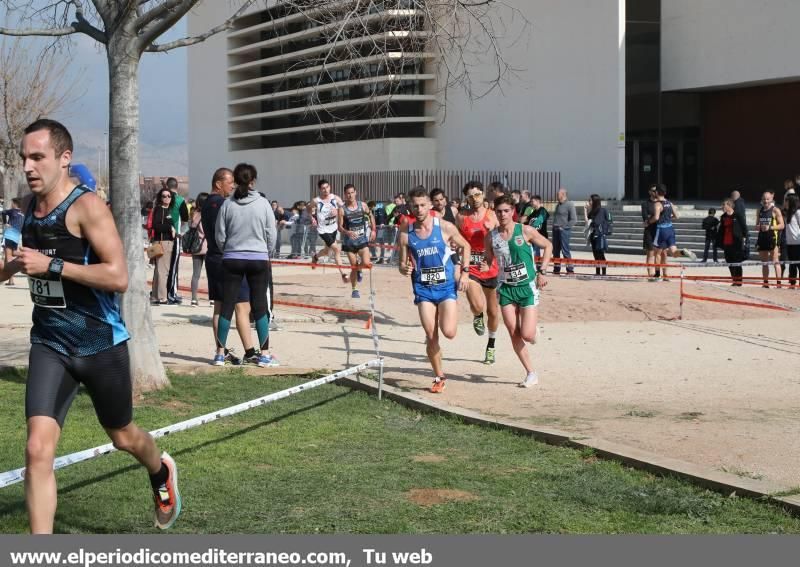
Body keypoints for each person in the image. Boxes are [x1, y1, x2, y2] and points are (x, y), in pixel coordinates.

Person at [0, 119, 179, 533]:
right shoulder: (24, 208)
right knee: (36, 450)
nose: (28, 165)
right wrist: (13, 266)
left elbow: (118, 277)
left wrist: (53, 266)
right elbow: (15, 262)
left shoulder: (87, 208)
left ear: (65, 160)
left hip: (100, 345)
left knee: (123, 436)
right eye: (24, 157)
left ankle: (159, 471)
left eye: (38, 157)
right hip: (50, 343)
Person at [398, 187, 470, 393]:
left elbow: (466, 246)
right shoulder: (405, 234)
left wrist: (465, 273)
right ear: (409, 207)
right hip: (423, 288)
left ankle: (443, 324)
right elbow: (401, 264)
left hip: (446, 287)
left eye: (422, 205)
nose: (419, 209)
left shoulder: (445, 227)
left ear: (430, 205)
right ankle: (439, 376)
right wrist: (404, 268)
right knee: (431, 334)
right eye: (415, 206)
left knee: (449, 332)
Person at [484, 196, 552, 387]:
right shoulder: (491, 236)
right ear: (495, 212)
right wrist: (484, 263)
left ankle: (532, 332)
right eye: (499, 211)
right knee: (514, 332)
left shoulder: (525, 230)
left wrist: (543, 272)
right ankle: (531, 373)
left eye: (506, 210)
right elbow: (488, 258)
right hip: (506, 289)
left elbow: (548, 246)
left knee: (527, 335)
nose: (503, 214)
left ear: (512, 210)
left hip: (527, 287)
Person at [215, 163, 278, 367]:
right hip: (258, 258)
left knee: (227, 306)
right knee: (259, 305)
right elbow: (272, 233)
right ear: (253, 181)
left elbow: (220, 234)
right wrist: (266, 250)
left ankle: (219, 353)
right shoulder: (263, 203)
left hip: (232, 257)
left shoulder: (228, 204)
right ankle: (265, 354)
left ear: (235, 180)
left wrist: (228, 249)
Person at [201, 168, 256, 365]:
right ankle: (250, 353)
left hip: (213, 258)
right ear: (218, 183)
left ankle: (220, 352)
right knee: (242, 305)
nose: (233, 185)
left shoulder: (206, 203)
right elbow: (229, 233)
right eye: (230, 181)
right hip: (227, 260)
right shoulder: (222, 204)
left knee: (219, 307)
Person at [458, 181, 501, 365]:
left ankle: (491, 345)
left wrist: (494, 232)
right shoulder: (462, 217)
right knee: (477, 305)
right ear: (466, 198)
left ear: (483, 194)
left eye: (477, 195)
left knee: (493, 313)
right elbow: (456, 238)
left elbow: (504, 238)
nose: (474, 199)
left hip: (491, 268)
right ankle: (477, 315)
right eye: (470, 196)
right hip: (471, 267)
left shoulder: (493, 215)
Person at [648, 186, 697, 281]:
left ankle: (657, 275)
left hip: (661, 229)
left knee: (657, 252)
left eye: (654, 192)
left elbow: (656, 218)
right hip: (670, 229)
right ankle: (684, 252)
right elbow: (677, 216)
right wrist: (668, 218)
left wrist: (648, 222)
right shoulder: (670, 203)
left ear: (657, 193)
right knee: (674, 253)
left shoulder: (657, 204)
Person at [338, 184, 375, 299]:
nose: (350, 195)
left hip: (362, 240)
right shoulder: (342, 209)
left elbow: (371, 216)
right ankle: (355, 289)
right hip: (349, 243)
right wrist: (347, 232)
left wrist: (373, 230)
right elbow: (339, 227)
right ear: (345, 195)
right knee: (353, 266)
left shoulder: (362, 205)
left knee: (366, 263)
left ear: (355, 192)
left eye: (352, 192)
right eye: (348, 193)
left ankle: (359, 270)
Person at [309, 179, 347, 282]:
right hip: (323, 230)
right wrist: (312, 217)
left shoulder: (335, 198)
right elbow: (309, 207)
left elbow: (344, 209)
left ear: (330, 187)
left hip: (333, 229)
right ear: (320, 190)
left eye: (327, 187)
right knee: (336, 249)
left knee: (326, 251)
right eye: (323, 188)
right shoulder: (316, 200)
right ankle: (343, 274)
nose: (326, 190)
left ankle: (315, 257)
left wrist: (338, 211)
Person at [147, 188, 177, 305]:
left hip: (166, 242)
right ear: (160, 197)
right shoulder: (160, 209)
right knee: (163, 271)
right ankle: (162, 297)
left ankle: (155, 296)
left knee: (159, 270)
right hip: (163, 243)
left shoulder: (167, 210)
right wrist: (170, 228)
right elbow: (156, 226)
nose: (167, 198)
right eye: (164, 196)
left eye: (169, 196)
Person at [164, 177, 189, 304]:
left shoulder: (159, 199)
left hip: (161, 237)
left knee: (162, 266)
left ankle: (160, 293)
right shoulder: (179, 200)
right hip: (175, 237)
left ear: (167, 186)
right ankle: (171, 294)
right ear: (177, 186)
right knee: (173, 266)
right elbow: (185, 218)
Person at [755, 191, 785, 288]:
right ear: (761, 199)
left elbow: (782, 225)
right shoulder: (759, 211)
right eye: (764, 199)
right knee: (764, 263)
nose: (765, 201)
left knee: (775, 261)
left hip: (772, 238)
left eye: (768, 199)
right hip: (762, 238)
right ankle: (765, 283)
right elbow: (756, 225)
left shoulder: (775, 210)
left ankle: (779, 284)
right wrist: (759, 226)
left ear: (771, 199)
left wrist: (770, 227)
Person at [716, 199, 748, 286]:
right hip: (726, 242)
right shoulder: (723, 217)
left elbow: (744, 227)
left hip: (736, 242)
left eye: (724, 205)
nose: (722, 207)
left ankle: (739, 281)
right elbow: (721, 230)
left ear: (729, 206)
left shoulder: (738, 215)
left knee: (737, 261)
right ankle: (734, 280)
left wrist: (745, 239)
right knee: (729, 261)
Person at [188, 192, 209, 306]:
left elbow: (191, 228)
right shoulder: (208, 214)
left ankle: (194, 299)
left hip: (195, 247)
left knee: (195, 274)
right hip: (207, 246)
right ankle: (212, 299)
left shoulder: (193, 214)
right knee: (210, 274)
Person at [584, 194, 611, 276]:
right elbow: (587, 222)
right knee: (595, 254)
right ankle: (598, 272)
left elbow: (596, 222)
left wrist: (591, 222)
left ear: (595, 201)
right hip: (593, 235)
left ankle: (603, 272)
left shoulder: (601, 210)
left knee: (600, 254)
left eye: (590, 200)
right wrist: (585, 210)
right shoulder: (593, 211)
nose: (589, 202)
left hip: (599, 235)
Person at [551, 188, 576, 275]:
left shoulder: (569, 205)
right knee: (555, 251)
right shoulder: (558, 205)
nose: (556, 195)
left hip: (564, 231)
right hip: (555, 230)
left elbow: (574, 219)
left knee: (565, 250)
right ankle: (556, 268)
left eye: (558, 194)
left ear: (563, 195)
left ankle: (570, 269)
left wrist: (564, 227)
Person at [2, 197, 24, 286]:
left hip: (9, 234)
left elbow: (2, 212)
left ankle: (10, 280)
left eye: (12, 203)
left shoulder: (13, 211)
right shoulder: (23, 213)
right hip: (16, 236)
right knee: (12, 253)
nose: (11, 205)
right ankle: (7, 279)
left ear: (15, 204)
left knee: (8, 257)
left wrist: (4, 222)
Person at [641, 186, 660, 279]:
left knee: (660, 253)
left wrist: (653, 217)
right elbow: (645, 217)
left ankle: (658, 272)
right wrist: (655, 217)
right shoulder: (645, 204)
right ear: (649, 192)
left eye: (657, 190)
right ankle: (650, 273)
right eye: (653, 190)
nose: (656, 192)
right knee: (650, 253)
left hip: (660, 230)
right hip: (649, 230)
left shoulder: (661, 202)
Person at [783, 193, 800, 288]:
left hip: (798, 243)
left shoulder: (798, 212)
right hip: (789, 243)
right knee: (792, 264)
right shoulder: (787, 212)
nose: (785, 202)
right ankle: (792, 283)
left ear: (791, 202)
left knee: (798, 264)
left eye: (787, 200)